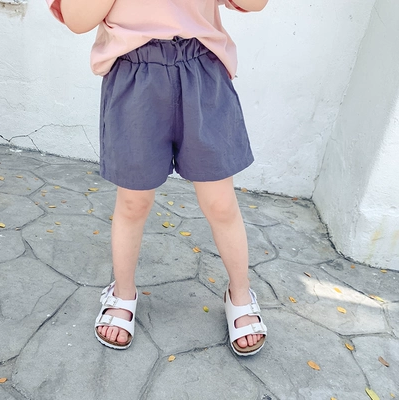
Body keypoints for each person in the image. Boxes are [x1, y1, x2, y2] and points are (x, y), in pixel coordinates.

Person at [46, 0, 268, 356]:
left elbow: (254, 3)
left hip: (201, 67)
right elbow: (77, 19)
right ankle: (123, 292)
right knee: (133, 202)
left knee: (221, 203)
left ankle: (240, 293)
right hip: (134, 72)